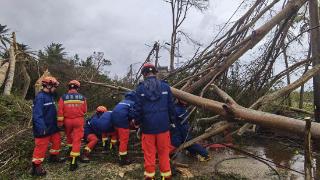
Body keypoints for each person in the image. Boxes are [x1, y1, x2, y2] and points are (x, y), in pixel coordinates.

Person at [135, 63, 176, 180]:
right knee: (164, 153)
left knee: (149, 154)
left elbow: (137, 109)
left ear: (144, 74)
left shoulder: (140, 89)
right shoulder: (165, 87)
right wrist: (172, 122)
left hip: (147, 128)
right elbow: (171, 107)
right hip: (163, 127)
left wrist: (137, 123)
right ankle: (166, 176)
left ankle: (149, 176)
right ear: (155, 73)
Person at [31, 76, 64, 176]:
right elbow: (37, 115)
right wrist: (42, 128)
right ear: (48, 86)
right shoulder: (40, 98)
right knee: (41, 147)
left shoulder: (50, 96)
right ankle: (36, 168)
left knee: (57, 141)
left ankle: (54, 157)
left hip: (52, 126)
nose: (55, 89)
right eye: (54, 87)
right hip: (43, 128)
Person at [57, 80, 87, 171]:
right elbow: (85, 110)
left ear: (69, 87)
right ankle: (73, 161)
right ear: (77, 87)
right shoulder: (82, 97)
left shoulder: (63, 97)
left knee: (69, 136)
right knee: (77, 139)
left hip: (67, 120)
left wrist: (60, 123)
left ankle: (70, 151)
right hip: (78, 120)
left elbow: (60, 111)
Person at [111, 91, 137, 166]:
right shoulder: (132, 103)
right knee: (124, 141)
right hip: (122, 123)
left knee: (119, 138)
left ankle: (116, 147)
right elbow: (133, 114)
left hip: (114, 122)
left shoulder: (121, 102)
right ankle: (123, 159)